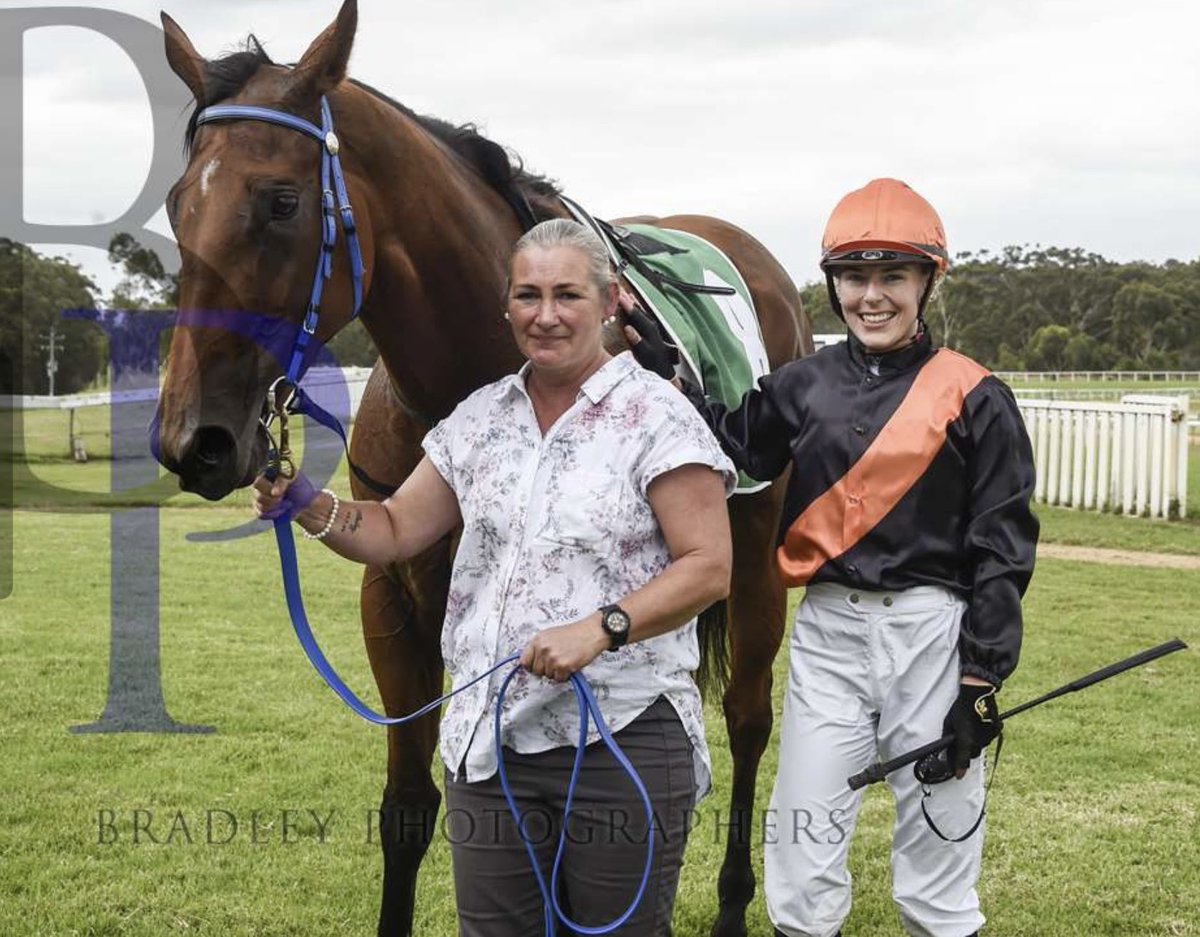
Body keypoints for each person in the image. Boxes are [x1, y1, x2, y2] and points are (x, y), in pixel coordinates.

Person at [254, 218, 738, 936]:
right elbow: (393, 528)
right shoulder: (479, 419)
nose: (546, 315)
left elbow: (710, 566)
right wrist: (309, 504)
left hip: (622, 737)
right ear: (507, 308)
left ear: (609, 303)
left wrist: (600, 628)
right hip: (490, 744)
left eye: (568, 294)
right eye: (528, 295)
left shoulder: (657, 416)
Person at [624, 178, 1038, 937]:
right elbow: (734, 442)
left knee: (939, 862)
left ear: (927, 280)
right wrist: (668, 373)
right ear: (834, 284)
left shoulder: (977, 395)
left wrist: (980, 680)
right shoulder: (800, 385)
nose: (871, 295)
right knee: (801, 857)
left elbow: (1002, 548)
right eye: (854, 276)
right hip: (828, 636)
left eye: (892, 276)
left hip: (932, 638)